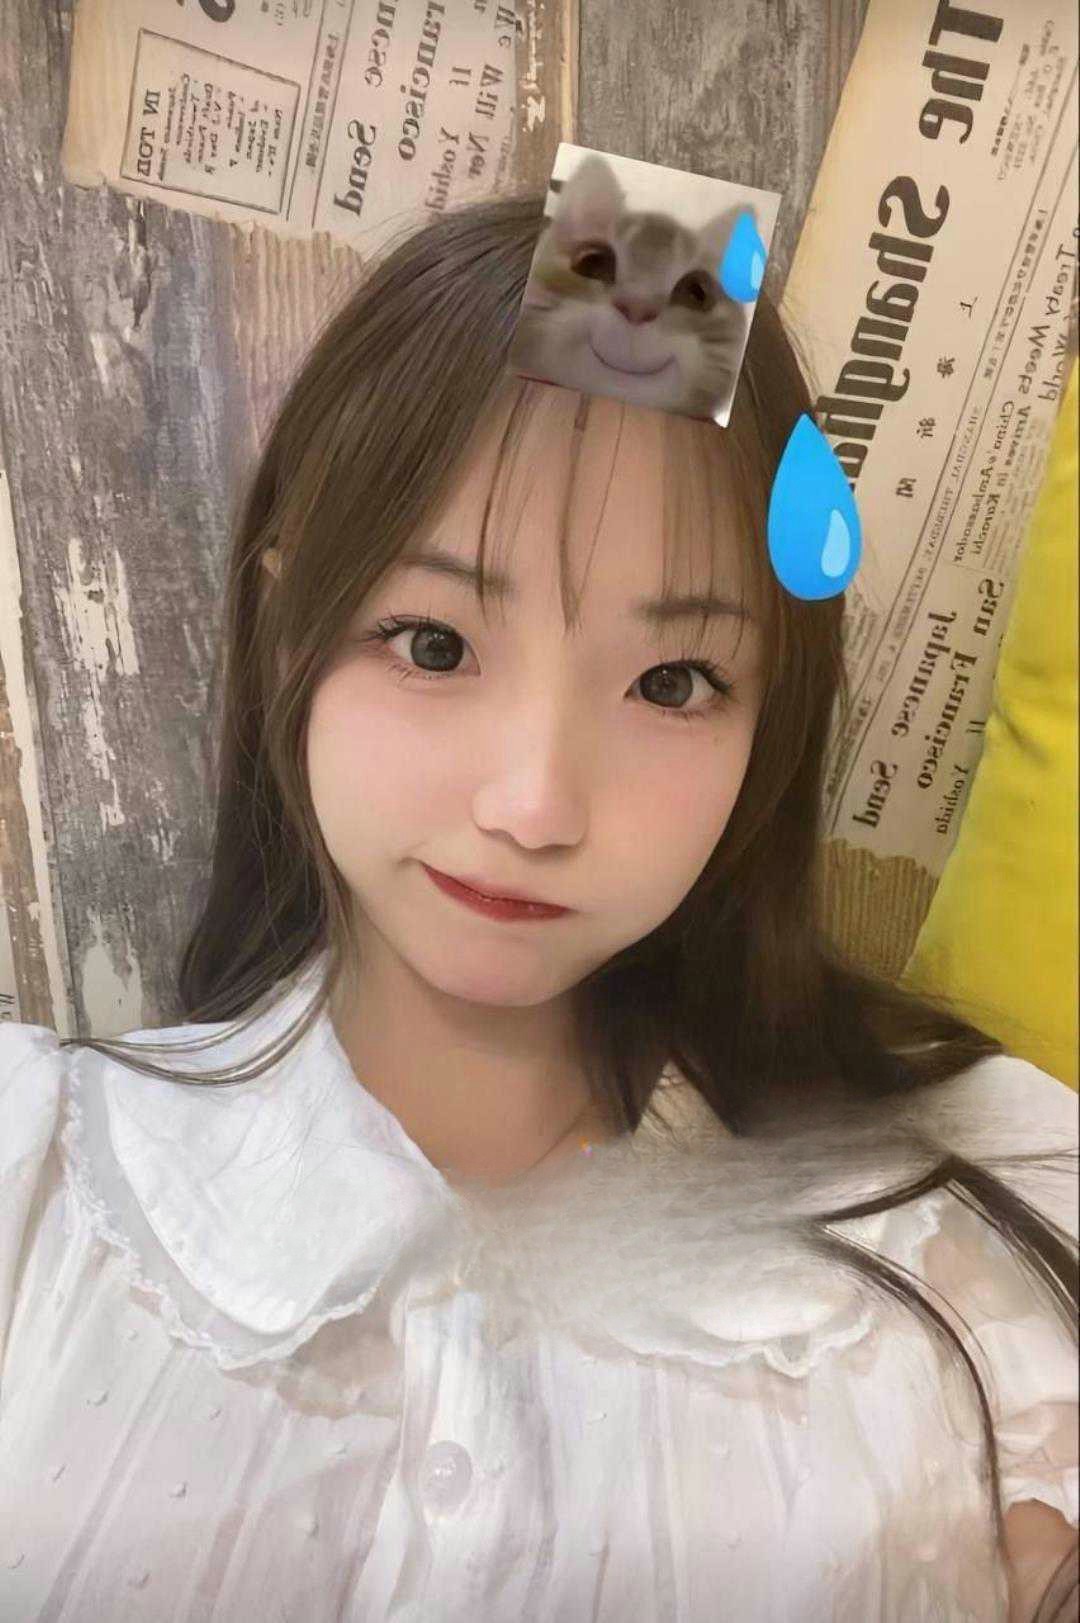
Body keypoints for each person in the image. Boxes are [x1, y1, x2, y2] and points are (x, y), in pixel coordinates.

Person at [0, 194, 1075, 1622]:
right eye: (435, 645)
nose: (536, 804)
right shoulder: (38, 1174)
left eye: (673, 683)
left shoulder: (986, 1209)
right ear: (284, 623)